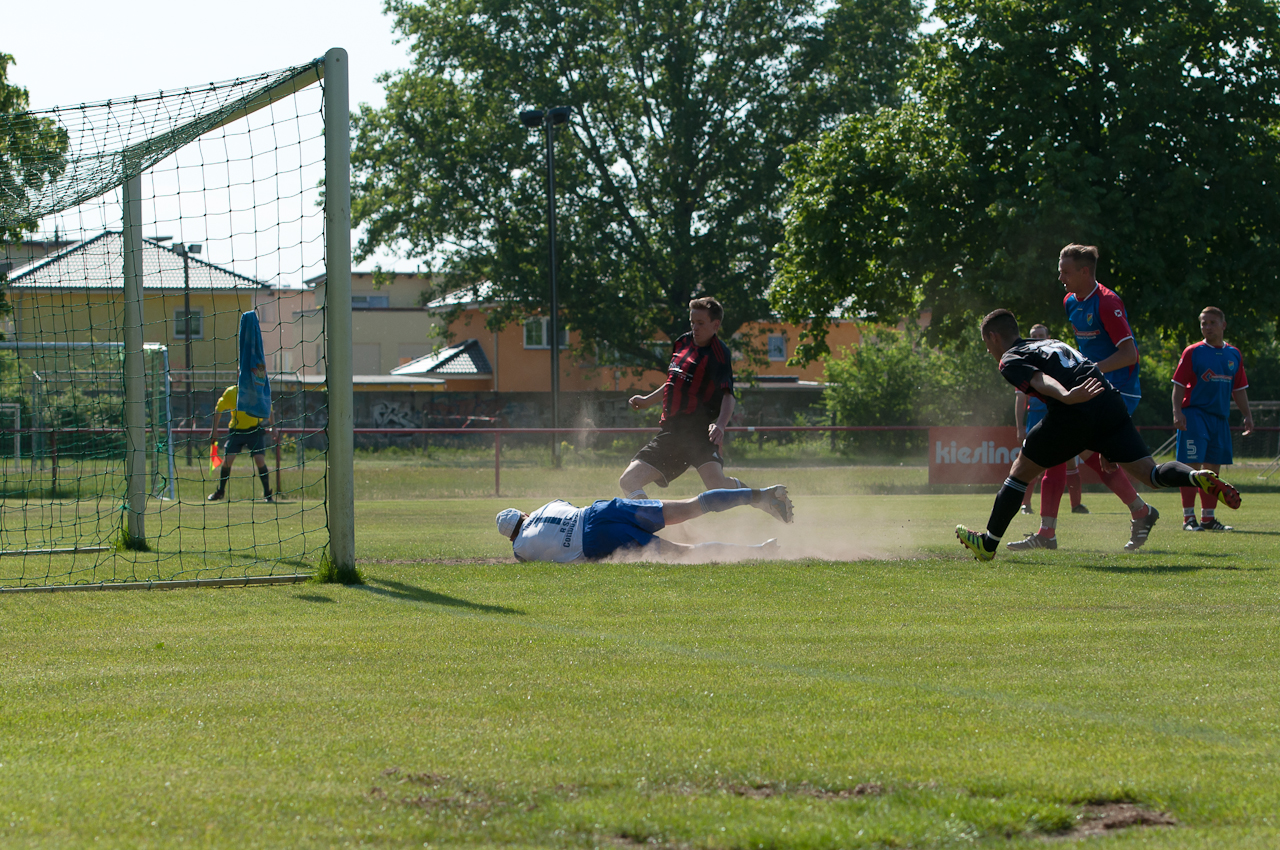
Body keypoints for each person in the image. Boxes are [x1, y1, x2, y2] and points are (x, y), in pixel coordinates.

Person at [956, 310, 1240, 562]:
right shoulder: (1051, 342)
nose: (989, 350)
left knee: (1019, 473)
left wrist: (1067, 396)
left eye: (986, 344)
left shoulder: (1010, 357)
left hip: (1074, 409)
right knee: (1150, 474)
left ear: (993, 337)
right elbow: (1085, 367)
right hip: (1109, 401)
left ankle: (989, 543)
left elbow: (1038, 379)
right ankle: (1194, 476)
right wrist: (1105, 439)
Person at [1056, 243, 1157, 549]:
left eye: (1065, 271)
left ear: (1085, 271)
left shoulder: (1107, 301)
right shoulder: (1070, 301)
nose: (1060, 277)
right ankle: (1141, 511)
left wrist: (1092, 369)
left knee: (1127, 463)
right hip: (1095, 390)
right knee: (1091, 455)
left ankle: (1186, 490)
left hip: (1119, 390)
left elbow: (1129, 354)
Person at [620, 296, 757, 499]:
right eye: (692, 322)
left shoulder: (718, 354)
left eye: (701, 323)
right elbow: (674, 381)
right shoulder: (682, 342)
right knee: (630, 481)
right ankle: (657, 526)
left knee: (716, 485)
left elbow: (729, 396)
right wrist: (647, 400)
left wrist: (720, 425)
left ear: (715, 324)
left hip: (696, 433)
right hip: (676, 432)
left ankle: (760, 498)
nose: (695, 327)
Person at [495, 485, 794, 563]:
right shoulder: (546, 507)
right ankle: (759, 496)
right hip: (601, 511)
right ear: (524, 514)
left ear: (510, 538)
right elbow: (566, 506)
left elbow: (523, 555)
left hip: (594, 539)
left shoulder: (520, 548)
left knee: (683, 552)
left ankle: (760, 550)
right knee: (690, 506)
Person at [1172, 306, 1254, 531]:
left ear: (1223, 325)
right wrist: (1177, 412)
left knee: (1212, 471)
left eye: (1212, 322)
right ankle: (1188, 519)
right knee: (1190, 468)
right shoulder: (1193, 351)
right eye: (1203, 323)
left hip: (1220, 418)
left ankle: (1208, 519)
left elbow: (1239, 389)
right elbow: (1178, 385)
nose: (1207, 327)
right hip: (1194, 415)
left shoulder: (1233, 354)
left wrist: (1247, 415)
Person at [1014, 323, 1088, 520]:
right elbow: (1020, 398)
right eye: (1033, 335)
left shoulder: (1057, 358)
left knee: (1069, 461)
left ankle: (1076, 504)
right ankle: (1026, 504)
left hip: (1058, 415)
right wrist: (1019, 426)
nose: (1037, 338)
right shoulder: (1026, 361)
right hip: (1035, 418)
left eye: (1040, 334)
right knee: (1031, 463)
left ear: (1048, 336)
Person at [207, 384, 274, 502]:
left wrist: (273, 427)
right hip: (236, 431)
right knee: (227, 460)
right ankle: (220, 492)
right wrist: (214, 431)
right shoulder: (231, 392)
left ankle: (268, 494)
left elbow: (269, 408)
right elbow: (218, 409)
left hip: (255, 431)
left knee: (260, 460)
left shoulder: (258, 390)